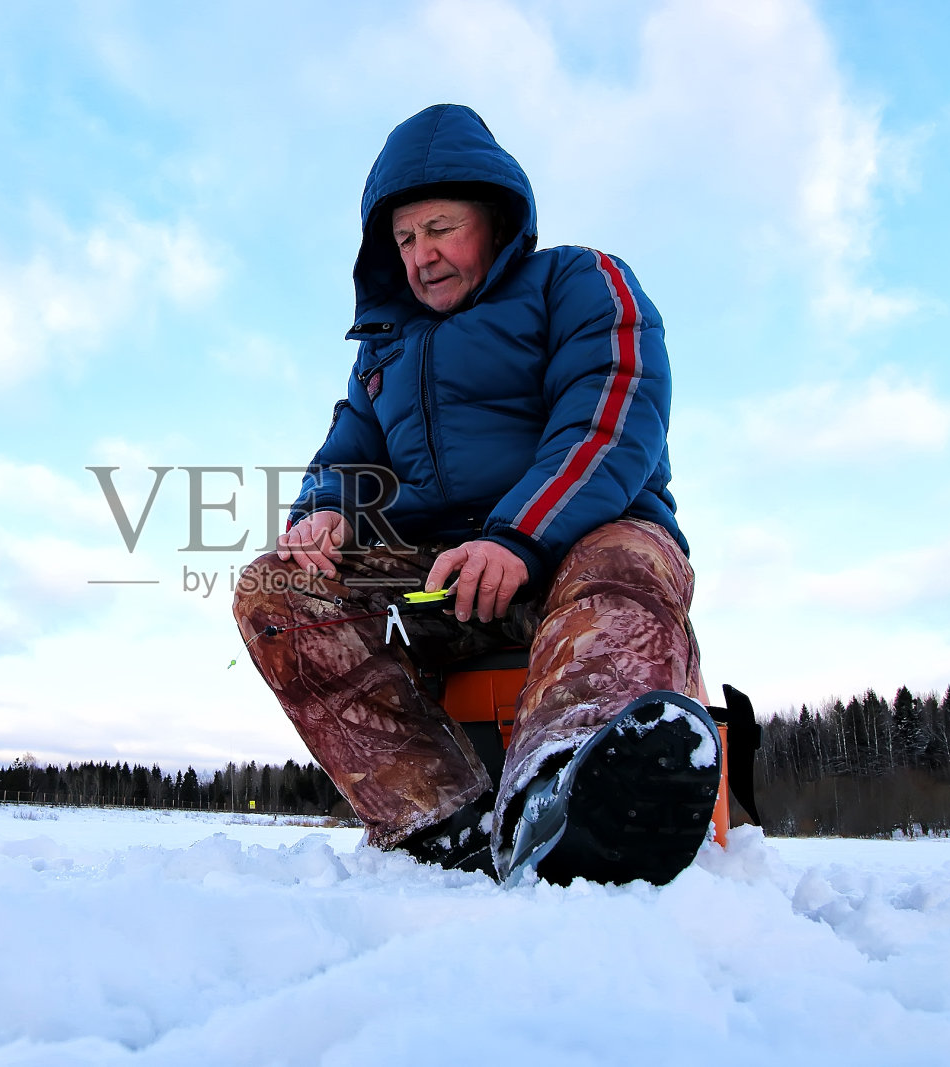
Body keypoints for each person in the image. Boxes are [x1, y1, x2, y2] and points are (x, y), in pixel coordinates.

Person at [231, 103, 720, 885]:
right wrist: (322, 510)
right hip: (438, 584)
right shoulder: (382, 354)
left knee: (626, 556)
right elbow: (344, 455)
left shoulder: (580, 281)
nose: (420, 256)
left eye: (439, 228)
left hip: (572, 556)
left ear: (493, 217)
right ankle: (440, 818)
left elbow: (612, 416)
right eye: (403, 239)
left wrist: (514, 537)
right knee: (276, 588)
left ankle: (566, 792)